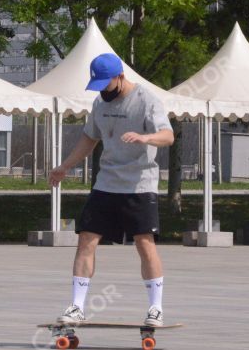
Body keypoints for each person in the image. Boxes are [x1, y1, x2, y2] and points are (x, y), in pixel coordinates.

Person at [50, 53, 174, 327]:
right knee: (86, 239)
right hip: (106, 182)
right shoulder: (99, 102)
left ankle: (156, 309)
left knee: (144, 243)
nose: (102, 90)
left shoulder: (146, 100)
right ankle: (77, 307)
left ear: (120, 77)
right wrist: (65, 166)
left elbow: (168, 135)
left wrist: (146, 137)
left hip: (139, 183)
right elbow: (89, 138)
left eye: (106, 83)